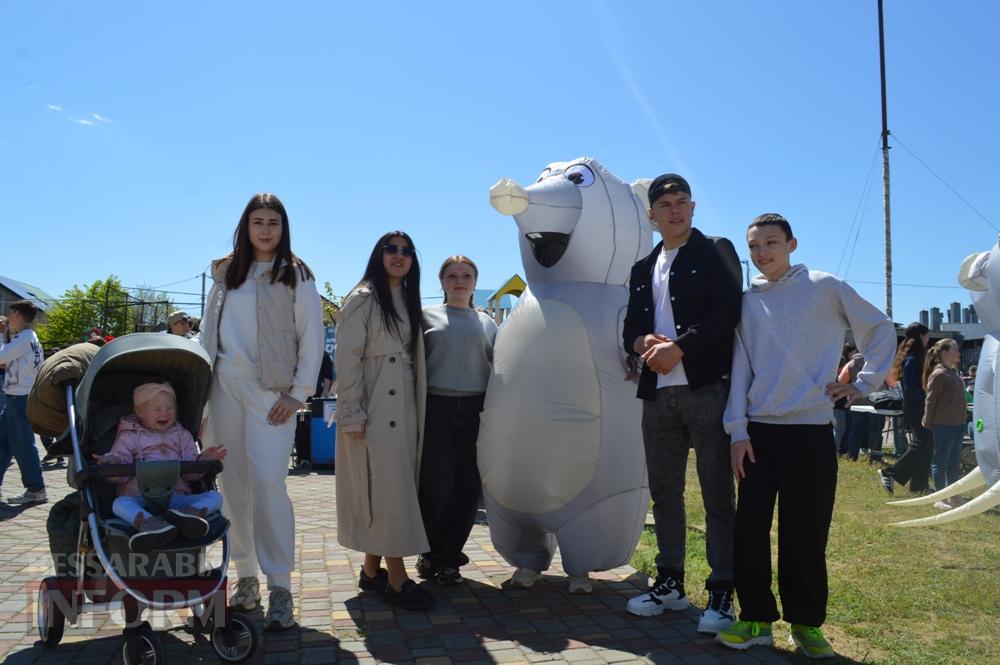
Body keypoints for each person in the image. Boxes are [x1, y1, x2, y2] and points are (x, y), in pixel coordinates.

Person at [715, 214, 895, 659]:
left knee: (806, 532)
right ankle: (754, 617)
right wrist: (737, 430)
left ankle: (806, 623)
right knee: (750, 529)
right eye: (754, 246)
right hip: (758, 433)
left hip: (811, 433)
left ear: (792, 243)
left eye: (770, 243)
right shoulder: (746, 302)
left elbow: (879, 327)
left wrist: (863, 383)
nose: (762, 253)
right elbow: (740, 369)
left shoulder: (824, 287)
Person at [622, 174, 741, 635]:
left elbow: (727, 311)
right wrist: (641, 341)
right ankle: (670, 581)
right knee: (665, 493)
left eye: (682, 201)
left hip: (707, 389)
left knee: (716, 494)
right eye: (665, 204)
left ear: (693, 207)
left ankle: (722, 590)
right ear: (651, 216)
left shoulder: (716, 250)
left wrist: (681, 348)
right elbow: (629, 327)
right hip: (658, 396)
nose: (674, 210)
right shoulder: (641, 267)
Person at [200, 193, 323, 630]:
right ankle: (246, 577)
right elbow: (205, 335)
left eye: (273, 221)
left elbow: (312, 336)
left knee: (270, 484)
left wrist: (299, 393)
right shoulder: (224, 273)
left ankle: (281, 585)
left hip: (273, 393)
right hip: (223, 388)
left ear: (283, 227)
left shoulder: (297, 274)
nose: (265, 229)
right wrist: (199, 397)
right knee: (233, 487)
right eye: (258, 221)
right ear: (245, 225)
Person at [335, 231, 434, 611]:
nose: (399, 256)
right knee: (387, 489)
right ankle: (397, 577)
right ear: (378, 255)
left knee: (391, 485)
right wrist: (352, 413)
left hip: (404, 405)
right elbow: (348, 361)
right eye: (390, 249)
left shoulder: (407, 299)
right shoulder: (362, 298)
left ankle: (371, 570)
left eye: (406, 251)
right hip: (375, 407)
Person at [416, 255, 498, 586]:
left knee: (467, 487)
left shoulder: (488, 322)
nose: (459, 280)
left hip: (476, 410)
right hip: (435, 407)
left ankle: (450, 559)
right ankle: (431, 552)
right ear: (442, 282)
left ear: (475, 283)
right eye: (452, 275)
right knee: (437, 486)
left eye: (466, 275)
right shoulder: (425, 317)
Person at [94, 382, 227, 552]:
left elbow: (191, 475)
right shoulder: (128, 437)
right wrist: (113, 463)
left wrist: (204, 459)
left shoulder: (183, 435)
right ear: (139, 412)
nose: (165, 413)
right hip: (139, 497)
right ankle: (149, 524)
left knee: (216, 497)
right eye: (157, 409)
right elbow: (121, 473)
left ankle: (189, 515)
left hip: (177, 499)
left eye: (170, 408)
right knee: (119, 504)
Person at [877, 323, 933, 495]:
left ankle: (919, 486)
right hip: (916, 407)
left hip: (917, 406)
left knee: (925, 445)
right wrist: (926, 401)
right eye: (927, 335)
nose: (929, 339)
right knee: (924, 443)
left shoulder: (912, 356)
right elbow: (911, 387)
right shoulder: (912, 359)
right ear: (921, 336)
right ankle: (891, 472)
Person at [0, 300, 47, 505]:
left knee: (23, 444)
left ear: (18, 315)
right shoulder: (27, 337)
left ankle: (36, 488)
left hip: (20, 396)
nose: (8, 319)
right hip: (18, 394)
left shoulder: (24, 337)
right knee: (4, 443)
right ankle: (34, 487)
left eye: (11, 314)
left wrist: (1, 335)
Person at [921, 339, 967, 507]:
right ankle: (940, 498)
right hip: (944, 425)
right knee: (940, 462)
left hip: (957, 424)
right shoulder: (939, 374)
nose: (959, 353)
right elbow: (930, 400)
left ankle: (953, 496)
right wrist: (927, 421)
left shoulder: (952, 373)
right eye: (955, 349)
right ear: (945, 353)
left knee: (954, 463)